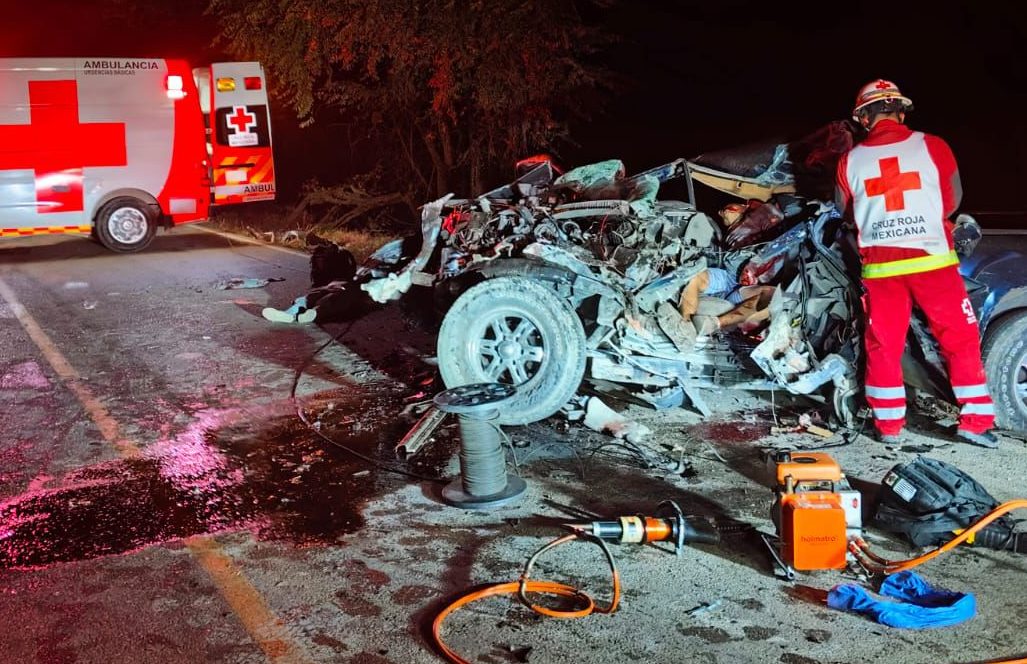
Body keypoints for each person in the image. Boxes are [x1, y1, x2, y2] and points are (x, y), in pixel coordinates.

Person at [835, 79, 997, 447]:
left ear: (864, 118)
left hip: (882, 268)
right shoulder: (933, 145)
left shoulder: (850, 160)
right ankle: (975, 423)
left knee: (883, 345)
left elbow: (845, 211)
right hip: (932, 262)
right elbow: (951, 200)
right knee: (959, 339)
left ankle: (889, 426)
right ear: (900, 112)